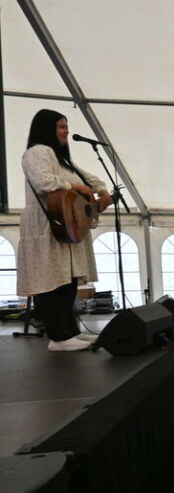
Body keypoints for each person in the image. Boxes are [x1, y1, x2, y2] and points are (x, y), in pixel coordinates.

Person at [19, 109, 113, 351]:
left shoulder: (62, 160)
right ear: (47, 129)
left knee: (67, 280)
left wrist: (101, 191)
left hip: (63, 223)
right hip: (46, 223)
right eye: (61, 127)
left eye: (66, 127)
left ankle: (70, 332)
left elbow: (86, 178)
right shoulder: (37, 152)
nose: (66, 132)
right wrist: (77, 187)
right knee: (53, 281)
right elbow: (45, 182)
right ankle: (58, 337)